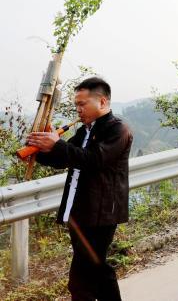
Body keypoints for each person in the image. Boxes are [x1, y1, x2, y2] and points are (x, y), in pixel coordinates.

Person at [29, 77, 132, 301]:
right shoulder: (85, 130)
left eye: (82, 104)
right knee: (98, 270)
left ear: (102, 102)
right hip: (80, 211)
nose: (78, 109)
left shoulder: (118, 129)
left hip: (102, 213)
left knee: (80, 281)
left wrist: (57, 144)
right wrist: (39, 150)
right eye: (76, 104)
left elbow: (93, 160)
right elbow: (64, 159)